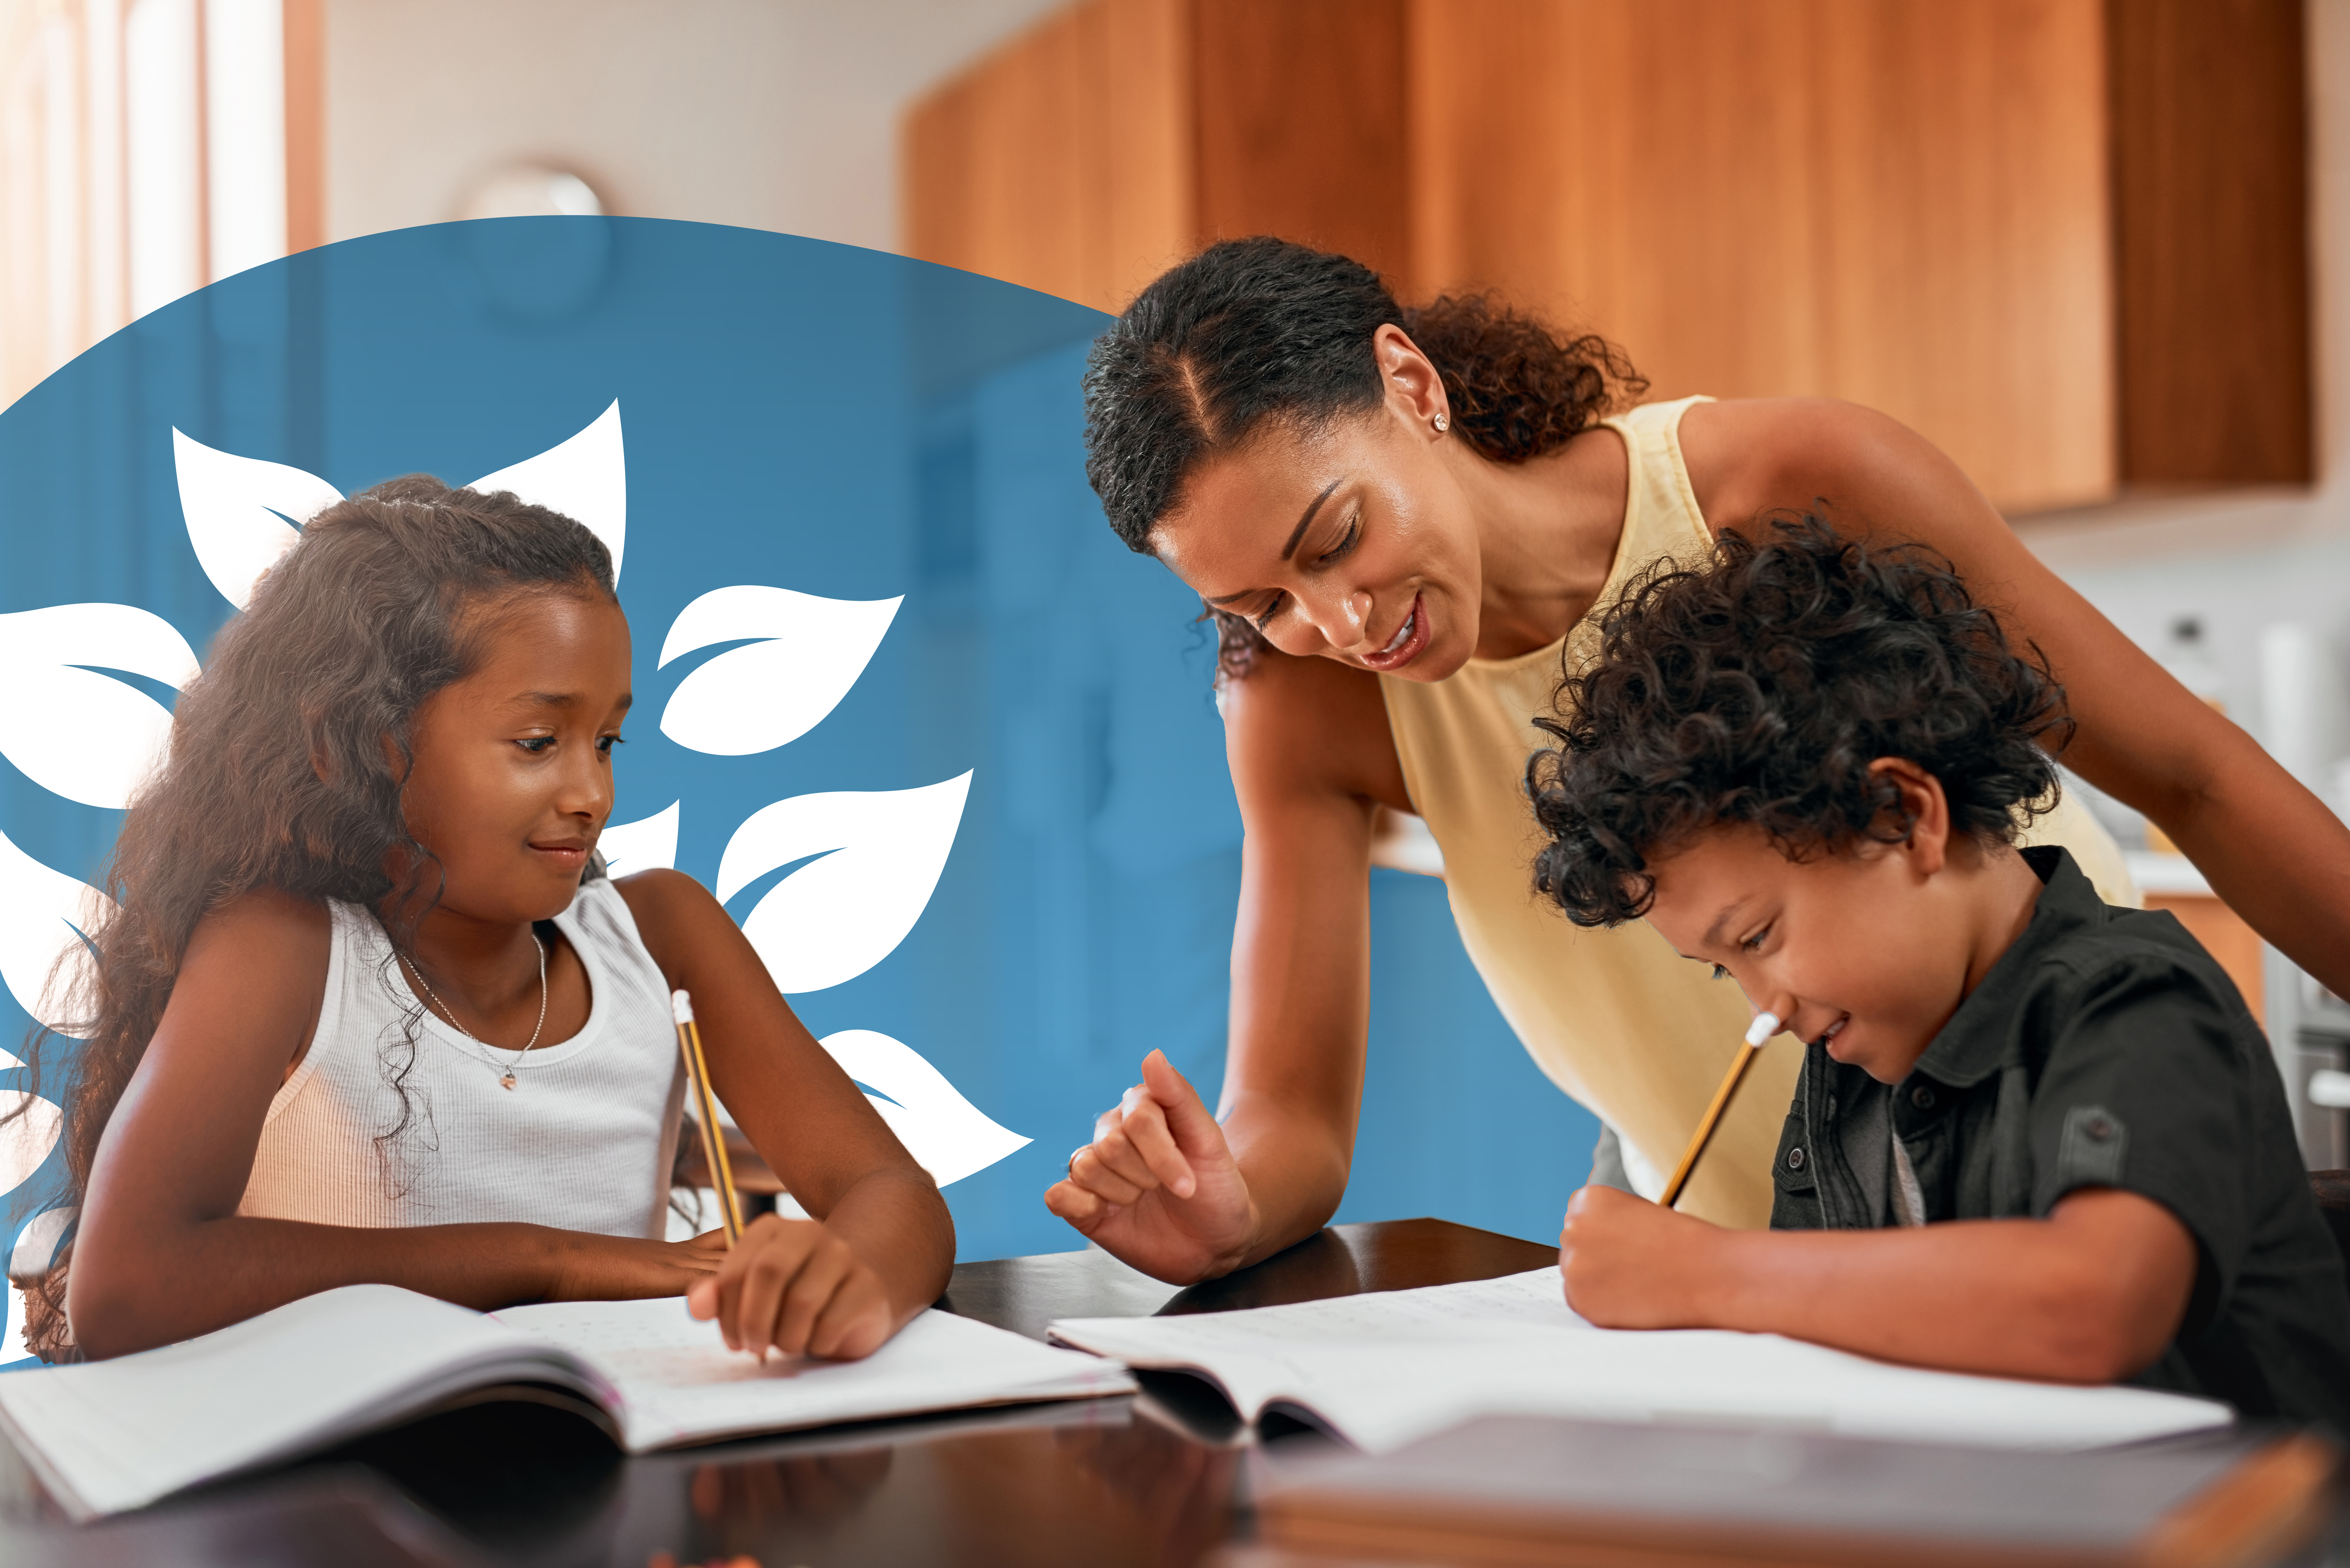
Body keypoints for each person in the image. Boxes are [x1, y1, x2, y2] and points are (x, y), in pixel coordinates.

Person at [1049, 236, 2350, 1284]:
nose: (1333, 626)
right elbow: (1292, 1114)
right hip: (1747, 1264)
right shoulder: (1298, 703)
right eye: (1256, 603)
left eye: (1335, 538)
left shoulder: (1787, 482)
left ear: (1412, 384)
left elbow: (2194, 778)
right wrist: (1224, 1207)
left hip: (2053, 1162)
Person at [12, 478, 952, 1362]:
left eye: (607, 740)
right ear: (369, 750)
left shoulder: (664, 932)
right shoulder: (284, 946)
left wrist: (846, 1277)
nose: (593, 792)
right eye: (538, 743)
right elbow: (129, 1288)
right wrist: (552, 1262)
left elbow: (893, 1194)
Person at [1536, 519, 2350, 1423]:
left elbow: (2093, 1306)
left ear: (1901, 813)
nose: (1765, 1013)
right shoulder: (1842, 1081)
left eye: (1758, 938)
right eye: (1725, 973)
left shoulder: (2130, 1001)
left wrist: (1708, 1271)